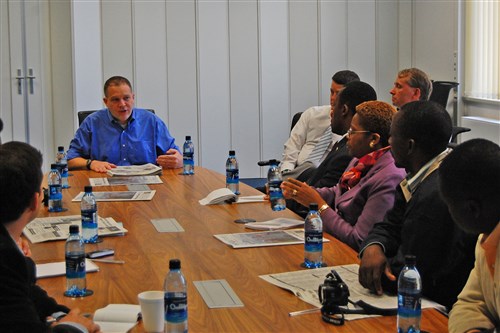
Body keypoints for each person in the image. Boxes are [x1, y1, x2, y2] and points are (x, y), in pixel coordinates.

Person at [358, 101, 477, 310]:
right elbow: (388, 225)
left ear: (410, 146)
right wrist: (373, 247)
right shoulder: (417, 177)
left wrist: (373, 271)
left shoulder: (435, 196)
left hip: (436, 306)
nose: (388, 141)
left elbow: (407, 272)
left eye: (392, 135)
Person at [0, 141, 101, 332]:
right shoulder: (6, 259)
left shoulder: (10, 252)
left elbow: (25, 292)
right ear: (35, 201)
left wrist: (61, 315)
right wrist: (73, 326)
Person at [282, 101, 406, 251]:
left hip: (352, 256)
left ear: (374, 139)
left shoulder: (389, 177)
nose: (347, 137)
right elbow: (338, 191)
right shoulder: (361, 159)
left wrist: (319, 206)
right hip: (334, 242)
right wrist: (300, 193)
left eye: (353, 132)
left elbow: (360, 240)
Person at [439, 139, 500, 333]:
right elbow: (470, 302)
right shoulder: (487, 238)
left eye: (450, 205)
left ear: (473, 208)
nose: (450, 212)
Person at [67, 76, 182, 173]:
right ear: (106, 102)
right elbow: (70, 160)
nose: (122, 104)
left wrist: (179, 160)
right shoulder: (92, 123)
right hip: (105, 182)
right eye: (115, 100)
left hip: (148, 183)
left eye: (126, 98)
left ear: (133, 98)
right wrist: (91, 163)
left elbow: (176, 156)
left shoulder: (151, 121)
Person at [280, 70, 360, 180]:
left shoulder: (354, 127)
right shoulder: (312, 114)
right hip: (296, 172)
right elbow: (292, 148)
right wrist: (287, 172)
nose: (333, 98)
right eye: (331, 92)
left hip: (323, 177)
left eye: (338, 94)